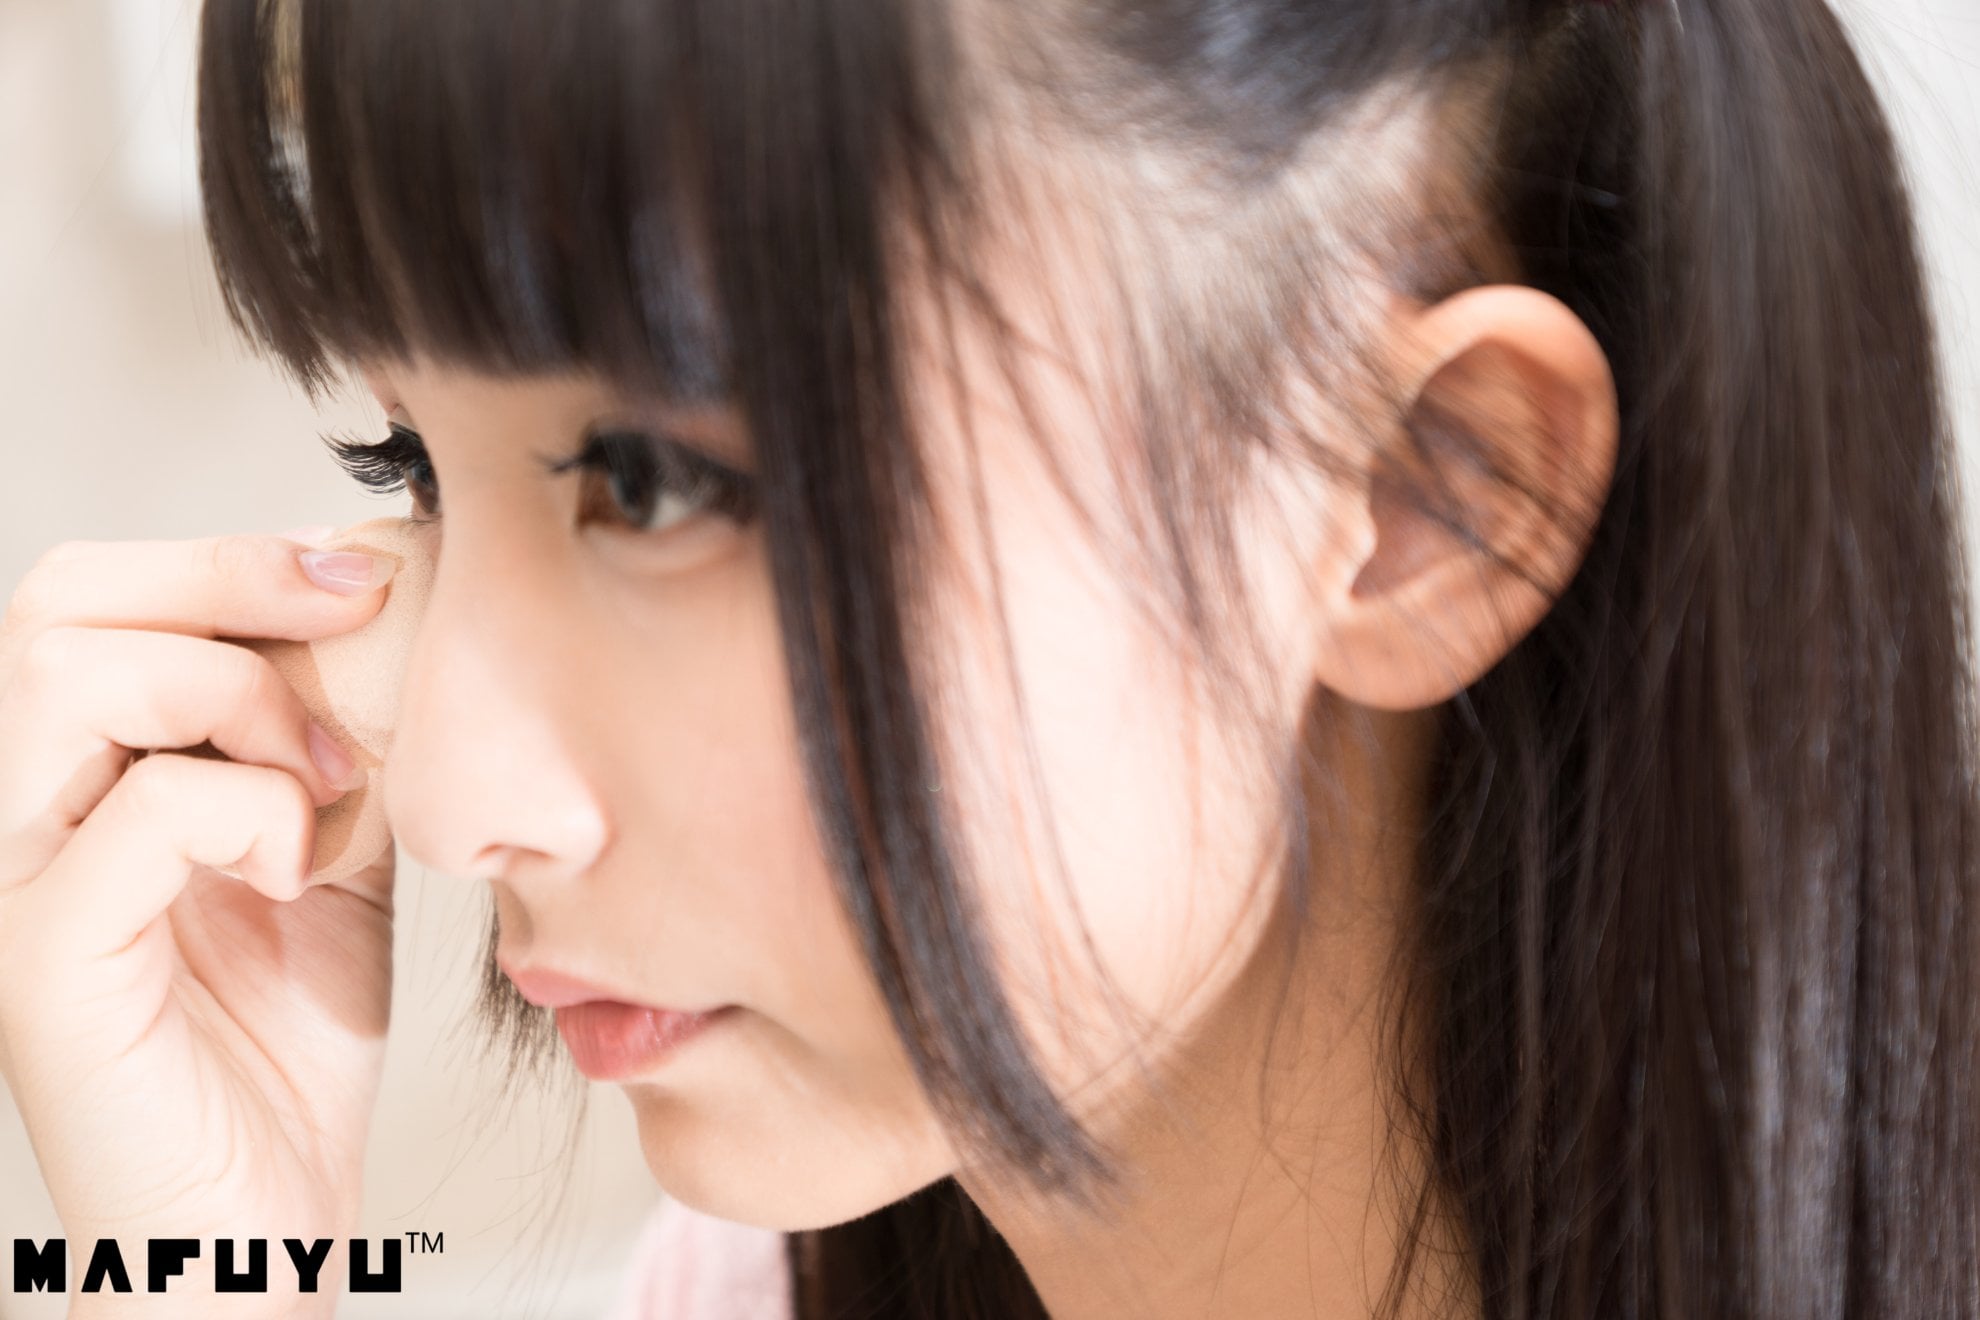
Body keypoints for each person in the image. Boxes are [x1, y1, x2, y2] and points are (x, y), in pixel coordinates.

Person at [2, 0, 1976, 1316]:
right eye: (413, 469)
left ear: (1420, 495)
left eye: (656, 480)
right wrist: (207, 1279)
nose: (444, 797)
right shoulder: (746, 1281)